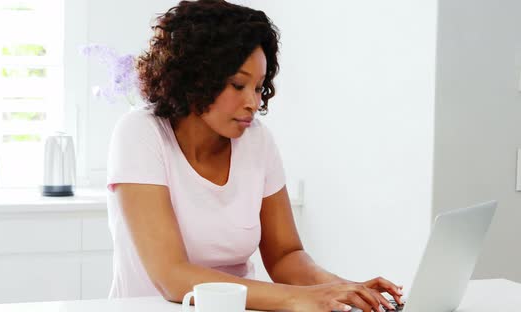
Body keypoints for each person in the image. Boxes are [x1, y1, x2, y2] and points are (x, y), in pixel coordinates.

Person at [106, 1, 403, 311]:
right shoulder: (140, 132)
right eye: (238, 84)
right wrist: (299, 298)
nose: (252, 101)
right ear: (195, 78)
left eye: (260, 87)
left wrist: (341, 289)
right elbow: (172, 277)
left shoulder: (257, 140)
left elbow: (285, 256)